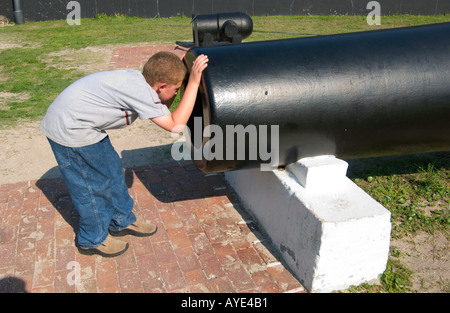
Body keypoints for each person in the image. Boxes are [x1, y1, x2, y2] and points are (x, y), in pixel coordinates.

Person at [40, 52, 209, 257]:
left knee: (113, 170)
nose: (176, 95)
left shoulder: (145, 83)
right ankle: (92, 238)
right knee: (93, 186)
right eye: (175, 90)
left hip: (85, 125)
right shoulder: (141, 92)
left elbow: (164, 104)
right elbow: (175, 125)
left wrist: (180, 64)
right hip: (70, 129)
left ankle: (120, 220)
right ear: (161, 86)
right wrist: (193, 83)